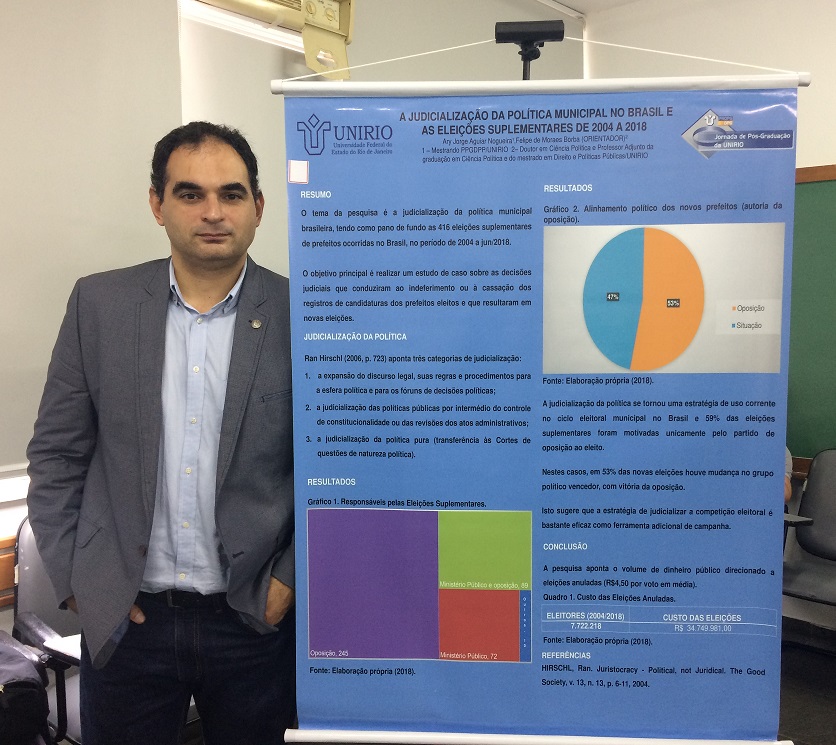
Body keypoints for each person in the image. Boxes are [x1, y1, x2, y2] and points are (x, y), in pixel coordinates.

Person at [26, 121, 295, 744]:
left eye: (231, 194)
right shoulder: (99, 305)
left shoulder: (303, 314)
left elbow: (336, 465)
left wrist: (289, 580)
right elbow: (58, 455)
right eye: (190, 193)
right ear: (157, 204)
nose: (213, 212)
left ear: (258, 207)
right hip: (128, 622)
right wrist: (80, 584)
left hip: (254, 618)